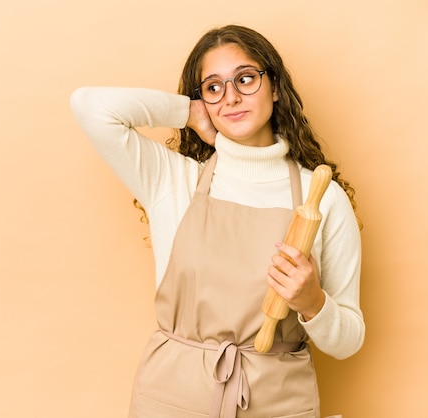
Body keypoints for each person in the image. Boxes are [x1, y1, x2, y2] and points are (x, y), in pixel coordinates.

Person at [70, 24, 364, 418]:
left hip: (278, 403)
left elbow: (348, 341)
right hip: (169, 398)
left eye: (245, 79)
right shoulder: (172, 180)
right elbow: (89, 105)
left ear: (275, 87)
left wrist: (313, 303)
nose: (231, 97)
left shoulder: (322, 198)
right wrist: (188, 112)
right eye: (213, 87)